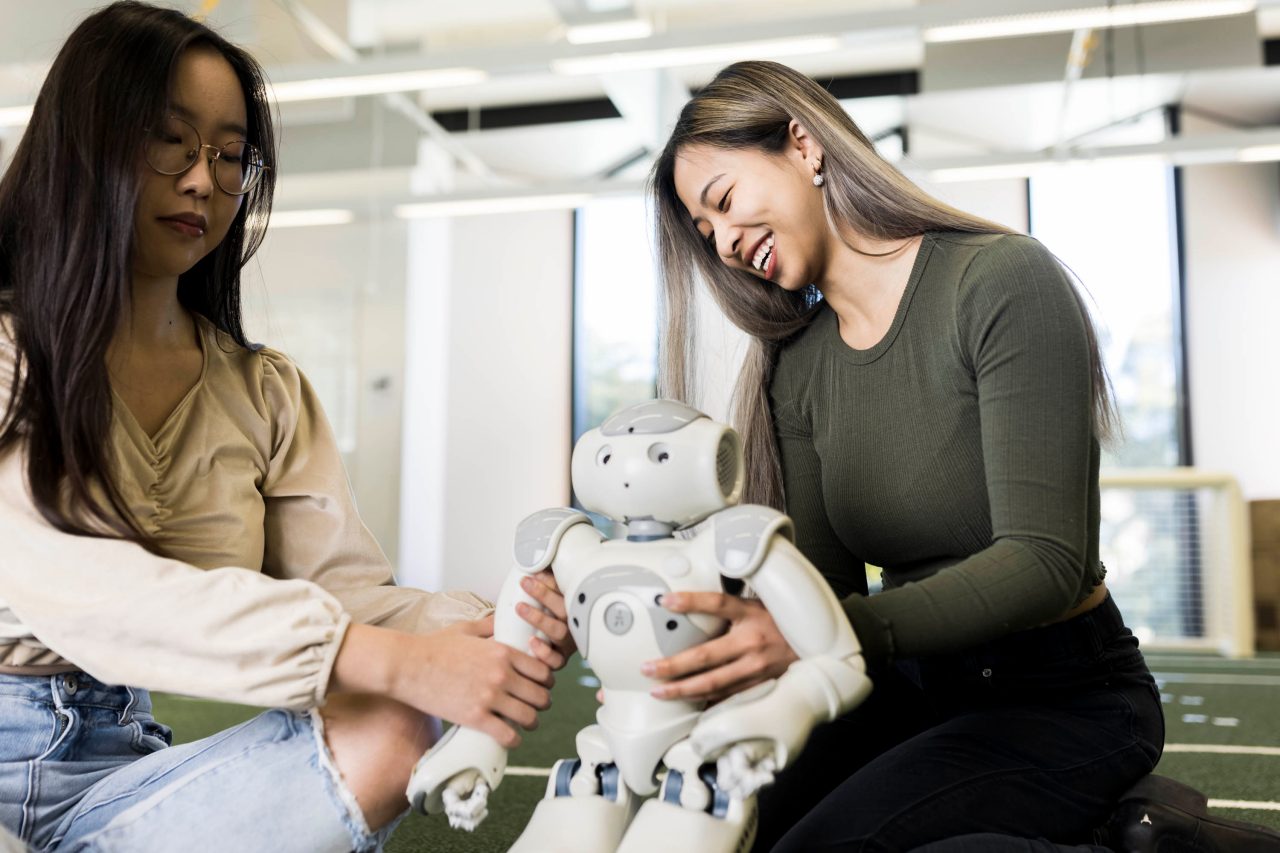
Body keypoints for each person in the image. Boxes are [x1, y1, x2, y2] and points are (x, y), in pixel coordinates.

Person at [0, 3, 573, 851]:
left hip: (128, 766)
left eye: (230, 156)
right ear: (88, 144)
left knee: (396, 722)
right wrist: (394, 660)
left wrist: (487, 626)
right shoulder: (12, 354)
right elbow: (93, 595)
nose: (203, 179)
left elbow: (348, 596)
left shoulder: (262, 389)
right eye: (171, 140)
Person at [643, 60, 1165, 851]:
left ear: (804, 145)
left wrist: (828, 630)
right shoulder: (797, 364)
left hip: (1063, 695)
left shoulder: (999, 279)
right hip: (906, 685)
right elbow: (825, 589)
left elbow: (1045, 559)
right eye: (705, 232)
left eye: (722, 202)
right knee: (723, 821)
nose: (722, 243)